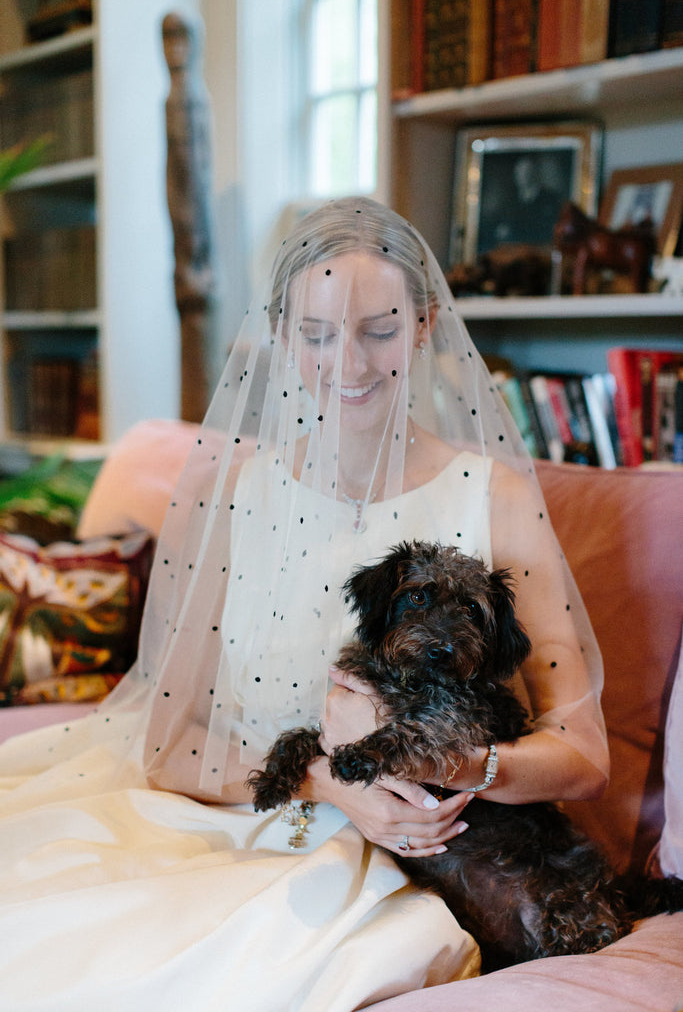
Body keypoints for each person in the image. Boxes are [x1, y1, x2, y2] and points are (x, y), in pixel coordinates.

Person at [0, 197, 608, 1011]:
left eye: (379, 331)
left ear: (425, 326)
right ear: (282, 336)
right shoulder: (225, 499)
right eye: (317, 335)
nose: (347, 365)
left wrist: (457, 766)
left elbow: (585, 755)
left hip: (412, 861)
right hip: (236, 824)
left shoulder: (494, 499)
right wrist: (326, 783)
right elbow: (167, 742)